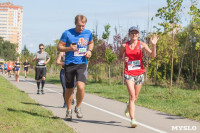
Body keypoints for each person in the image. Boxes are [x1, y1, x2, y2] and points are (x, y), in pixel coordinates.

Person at [119, 26, 158, 128]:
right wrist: (123, 60)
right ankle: (133, 120)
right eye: (132, 33)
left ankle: (129, 106)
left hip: (140, 73)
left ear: (138, 34)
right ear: (129, 34)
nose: (134, 34)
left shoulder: (142, 44)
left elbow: (152, 55)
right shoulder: (124, 45)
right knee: (132, 96)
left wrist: (153, 45)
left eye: (136, 33)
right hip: (128, 73)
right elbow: (119, 57)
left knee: (135, 98)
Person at [57, 14, 94, 121]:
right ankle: (68, 110)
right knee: (69, 89)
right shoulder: (67, 33)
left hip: (82, 63)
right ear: (75, 24)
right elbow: (59, 47)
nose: (81, 28)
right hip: (69, 64)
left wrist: (89, 51)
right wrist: (69, 48)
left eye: (83, 26)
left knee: (81, 86)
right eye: (79, 26)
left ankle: (78, 107)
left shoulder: (88, 33)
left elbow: (91, 43)